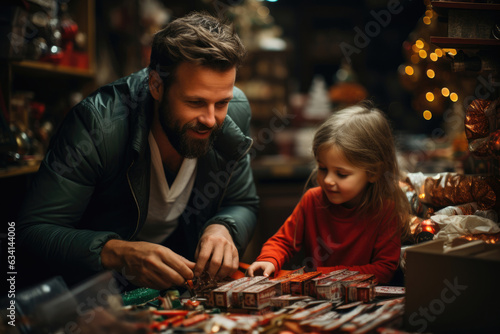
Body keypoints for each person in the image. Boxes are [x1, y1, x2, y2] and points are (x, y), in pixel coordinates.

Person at [17, 12, 259, 290]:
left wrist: (225, 227)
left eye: (222, 102)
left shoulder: (236, 111)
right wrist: (116, 252)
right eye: (195, 102)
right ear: (156, 85)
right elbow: (31, 231)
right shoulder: (98, 124)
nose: (211, 119)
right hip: (97, 296)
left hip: (179, 290)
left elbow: (243, 202)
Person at [247, 102, 410, 284]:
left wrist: (323, 275)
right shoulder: (312, 200)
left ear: (372, 173)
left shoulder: (385, 211)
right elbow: (282, 242)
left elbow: (384, 269)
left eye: (341, 174)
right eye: (323, 169)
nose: (327, 180)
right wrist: (268, 259)